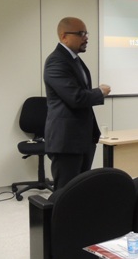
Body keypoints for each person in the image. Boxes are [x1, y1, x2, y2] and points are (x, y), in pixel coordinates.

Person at [44, 17, 111, 189]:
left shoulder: (74, 60)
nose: (86, 37)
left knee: (80, 191)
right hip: (67, 141)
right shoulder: (56, 61)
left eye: (86, 33)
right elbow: (75, 98)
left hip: (82, 139)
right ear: (64, 36)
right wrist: (99, 92)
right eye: (81, 33)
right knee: (65, 194)